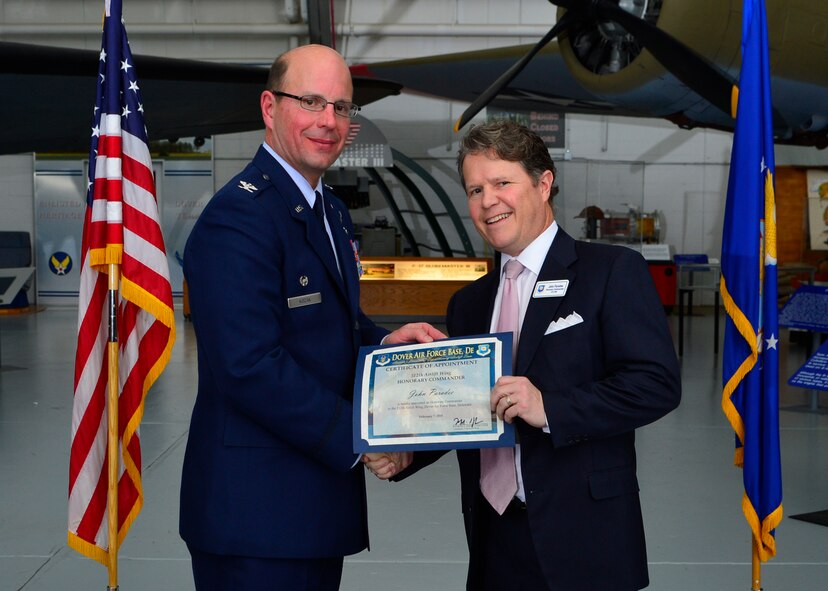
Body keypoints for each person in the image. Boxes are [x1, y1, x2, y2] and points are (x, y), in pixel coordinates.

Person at [371, 119, 681, 590]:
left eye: (501, 183)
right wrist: (409, 450)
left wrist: (550, 407)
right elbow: (469, 408)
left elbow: (656, 385)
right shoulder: (470, 303)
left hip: (584, 540)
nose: (487, 201)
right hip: (494, 538)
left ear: (543, 183)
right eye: (474, 190)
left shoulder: (610, 272)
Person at [179, 44, 443, 590]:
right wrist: (362, 437)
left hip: (309, 508)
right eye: (312, 102)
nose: (329, 121)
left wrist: (385, 338)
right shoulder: (239, 218)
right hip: (256, 516)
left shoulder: (329, 210)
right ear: (270, 108)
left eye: (342, 108)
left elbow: (328, 326)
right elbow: (248, 364)